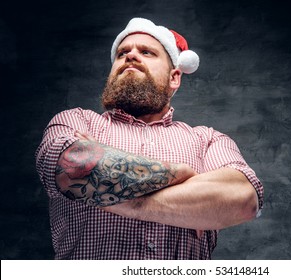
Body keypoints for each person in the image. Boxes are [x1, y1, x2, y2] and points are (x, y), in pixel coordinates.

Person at [35, 17, 264, 260]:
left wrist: (114, 195)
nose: (131, 56)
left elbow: (244, 199)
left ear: (174, 77)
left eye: (146, 52)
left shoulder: (208, 139)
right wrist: (184, 177)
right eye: (122, 52)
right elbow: (72, 167)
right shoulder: (75, 120)